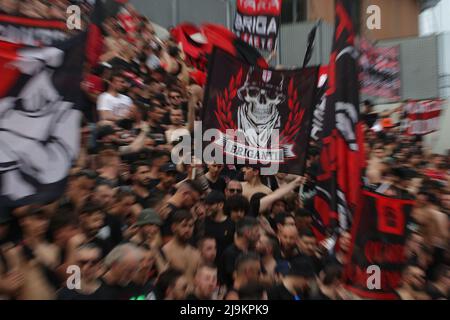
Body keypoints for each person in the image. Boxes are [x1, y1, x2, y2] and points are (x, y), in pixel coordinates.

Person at [162, 210, 201, 284]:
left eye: (191, 226)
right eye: (184, 225)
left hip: (192, 294)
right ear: (174, 227)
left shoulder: (196, 253)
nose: (188, 230)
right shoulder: (166, 251)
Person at [220, 217, 260, 288]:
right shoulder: (230, 254)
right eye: (256, 231)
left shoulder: (253, 250)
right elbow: (238, 279)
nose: (259, 234)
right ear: (247, 233)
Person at [203, 191, 235, 262]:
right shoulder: (202, 222)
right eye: (206, 204)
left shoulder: (232, 224)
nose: (207, 207)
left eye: (211, 204)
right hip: (207, 264)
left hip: (225, 265)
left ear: (221, 205)